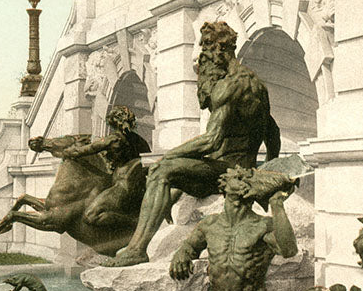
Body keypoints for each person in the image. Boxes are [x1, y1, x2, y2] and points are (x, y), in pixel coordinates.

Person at [109, 21, 280, 266]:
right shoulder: (256, 86)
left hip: (228, 172)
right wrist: (265, 170)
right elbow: (273, 131)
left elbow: (211, 141)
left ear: (219, 50)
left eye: (206, 52)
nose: (203, 59)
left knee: (160, 171)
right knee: (173, 173)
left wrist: (167, 159)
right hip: (242, 168)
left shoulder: (228, 87)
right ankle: (159, 207)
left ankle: (137, 250)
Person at [169, 166, 298, 291]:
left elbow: (289, 250)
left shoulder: (263, 225)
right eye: (238, 177)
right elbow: (190, 246)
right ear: (224, 186)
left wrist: (277, 205)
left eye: (247, 178)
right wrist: (182, 253)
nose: (243, 180)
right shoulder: (209, 225)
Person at [35, 104, 150, 229]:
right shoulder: (139, 140)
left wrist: (66, 152)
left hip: (121, 186)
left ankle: (135, 224)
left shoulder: (112, 139)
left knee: (90, 216)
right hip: (139, 187)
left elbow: (85, 150)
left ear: (113, 122)